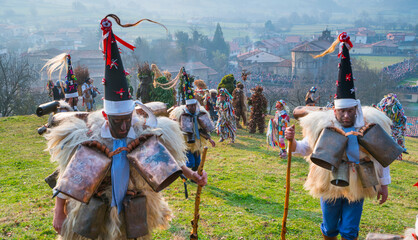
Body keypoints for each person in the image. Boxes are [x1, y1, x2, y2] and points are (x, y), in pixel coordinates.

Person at [46, 15, 207, 239]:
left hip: (131, 212)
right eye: (117, 120)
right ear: (105, 116)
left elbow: (169, 161)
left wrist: (192, 175)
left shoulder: (142, 133)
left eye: (127, 118)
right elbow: (68, 177)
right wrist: (59, 212)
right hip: (95, 212)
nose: (124, 126)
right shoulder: (89, 137)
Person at [285, 32, 397, 240]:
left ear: (356, 109)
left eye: (350, 111)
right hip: (328, 180)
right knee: (329, 227)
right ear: (334, 111)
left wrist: (384, 185)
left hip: (360, 180)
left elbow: (382, 159)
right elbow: (304, 148)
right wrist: (290, 141)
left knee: (349, 230)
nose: (346, 115)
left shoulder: (369, 126)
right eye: (341, 111)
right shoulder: (322, 126)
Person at [170, 93, 216, 171]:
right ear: (187, 106)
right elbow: (177, 128)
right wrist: (174, 123)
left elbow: (201, 129)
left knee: (198, 162)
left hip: (197, 142)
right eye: (191, 106)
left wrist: (209, 139)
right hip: (186, 143)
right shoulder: (182, 115)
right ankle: (184, 172)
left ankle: (193, 177)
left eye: (194, 105)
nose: (193, 107)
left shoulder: (200, 114)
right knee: (190, 162)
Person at [376, 93, 407, 160]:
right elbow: (380, 110)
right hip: (387, 124)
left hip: (396, 125)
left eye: (390, 98)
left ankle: (398, 156)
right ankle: (384, 154)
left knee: (397, 139)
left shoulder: (397, 106)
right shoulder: (383, 105)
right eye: (388, 98)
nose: (389, 100)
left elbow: (401, 116)